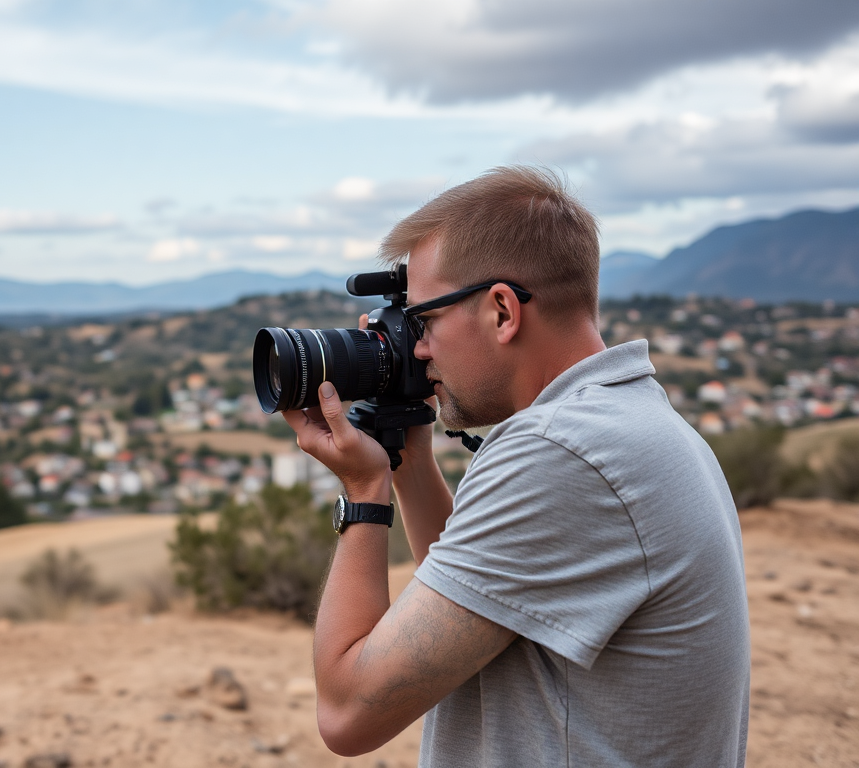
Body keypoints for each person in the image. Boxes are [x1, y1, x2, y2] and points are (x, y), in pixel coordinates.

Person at [284, 166, 750, 766]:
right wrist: (409, 457)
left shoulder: (559, 450)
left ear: (502, 311)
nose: (417, 347)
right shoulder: (631, 421)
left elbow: (347, 713)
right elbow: (472, 589)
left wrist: (363, 491)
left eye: (423, 321)